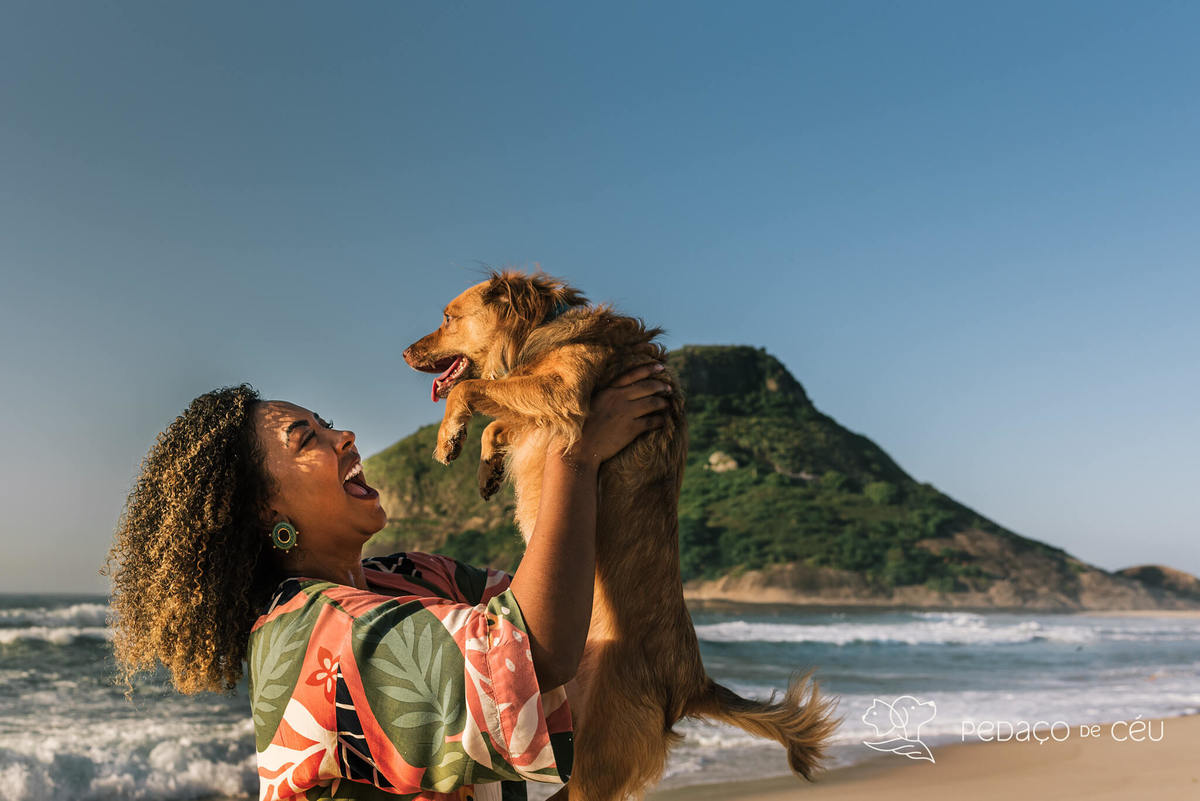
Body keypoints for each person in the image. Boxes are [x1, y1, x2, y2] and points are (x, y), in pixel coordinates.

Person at [106, 361, 671, 801]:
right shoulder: (310, 634)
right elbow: (529, 652)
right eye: (306, 439)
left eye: (327, 424)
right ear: (262, 510)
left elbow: (583, 613)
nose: (344, 436)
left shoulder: (411, 577)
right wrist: (573, 450)